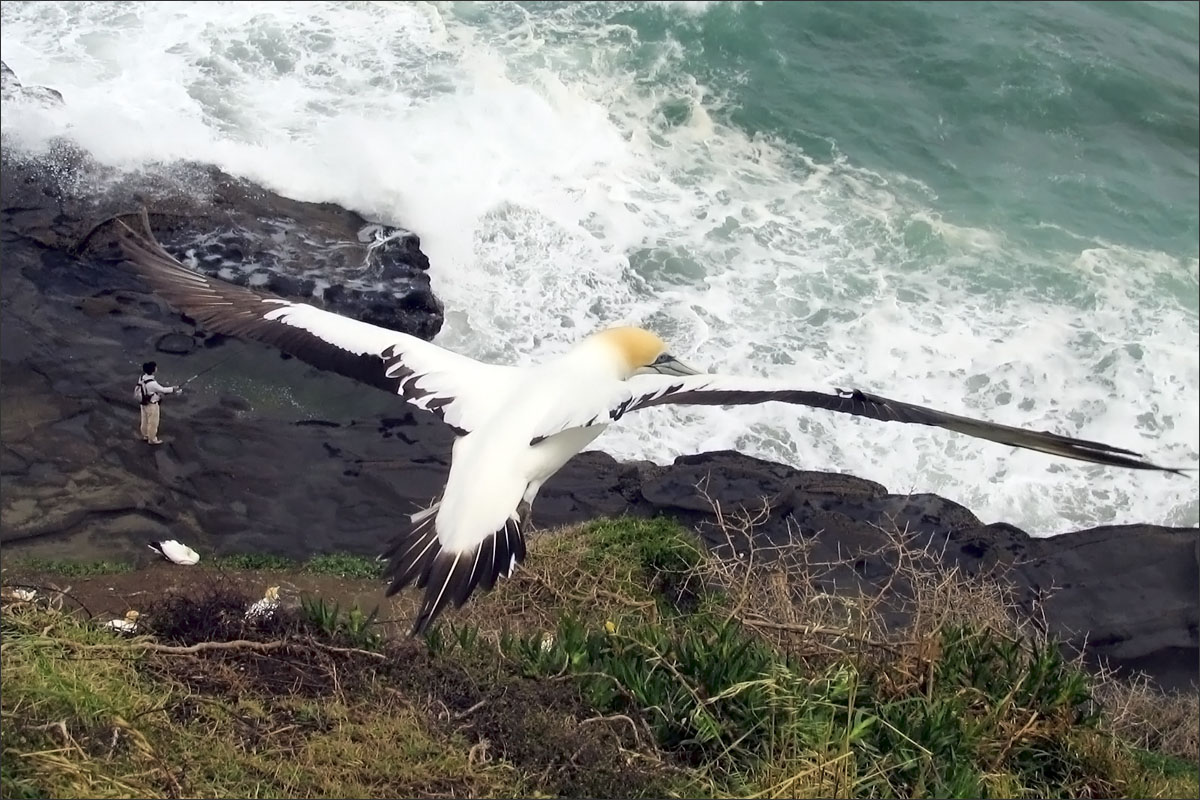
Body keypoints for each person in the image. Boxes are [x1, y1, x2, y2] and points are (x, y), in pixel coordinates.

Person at [136, 361, 181, 445]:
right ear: (153, 370)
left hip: (143, 403)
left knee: (144, 420)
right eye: (155, 367)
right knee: (153, 422)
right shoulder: (152, 383)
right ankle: (152, 439)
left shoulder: (142, 377)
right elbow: (163, 390)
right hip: (151, 405)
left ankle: (145, 435)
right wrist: (173, 388)